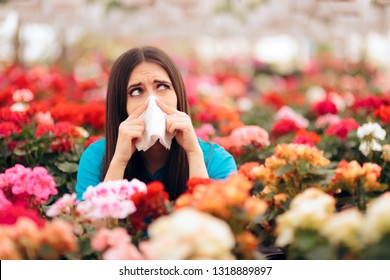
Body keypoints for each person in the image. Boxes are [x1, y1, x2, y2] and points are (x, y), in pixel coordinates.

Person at [76, 46, 237, 201]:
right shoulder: (96, 158)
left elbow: (212, 225)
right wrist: (119, 161)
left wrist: (194, 154)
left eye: (162, 86)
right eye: (136, 91)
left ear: (178, 95)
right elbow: (93, 227)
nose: (152, 100)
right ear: (120, 105)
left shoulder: (216, 159)